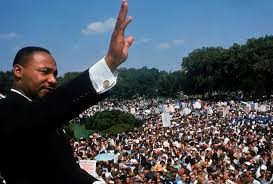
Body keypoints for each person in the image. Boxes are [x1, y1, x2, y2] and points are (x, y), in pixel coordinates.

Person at [0, 0, 134, 183]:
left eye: (55, 74)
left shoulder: (41, 116)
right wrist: (110, 62)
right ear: (18, 71)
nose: (53, 80)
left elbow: (66, 170)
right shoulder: (8, 110)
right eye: (44, 72)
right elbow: (53, 106)